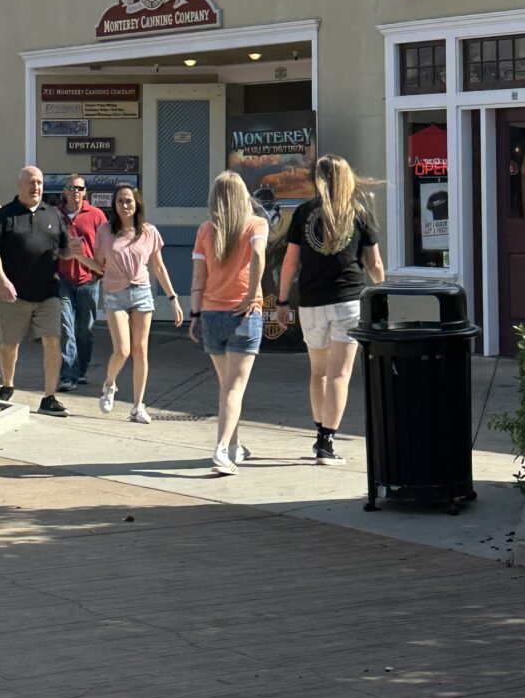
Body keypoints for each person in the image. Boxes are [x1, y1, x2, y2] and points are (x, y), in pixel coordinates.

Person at [274, 155, 383, 466]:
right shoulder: (359, 212)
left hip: (311, 303)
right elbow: (374, 264)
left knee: (318, 373)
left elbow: (290, 262)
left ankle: (320, 434)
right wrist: (382, 296)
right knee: (339, 375)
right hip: (348, 301)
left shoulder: (304, 212)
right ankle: (327, 443)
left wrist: (282, 301)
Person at [79, 184, 182, 422]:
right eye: (120, 202)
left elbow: (158, 267)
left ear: (137, 204)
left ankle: (138, 406)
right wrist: (78, 257)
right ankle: (109, 384)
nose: (125, 205)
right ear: (114, 206)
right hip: (115, 294)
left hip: (142, 293)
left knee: (140, 351)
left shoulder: (148, 232)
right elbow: (99, 266)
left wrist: (173, 298)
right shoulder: (105, 231)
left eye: (129, 201)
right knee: (123, 350)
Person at [190, 170, 268, 476]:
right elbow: (259, 256)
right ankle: (222, 450)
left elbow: (198, 277)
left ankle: (234, 447)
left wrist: (195, 315)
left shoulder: (206, 230)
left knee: (227, 387)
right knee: (234, 388)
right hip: (244, 315)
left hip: (211, 313)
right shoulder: (255, 224)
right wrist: (251, 295)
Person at [0, 166, 70, 415]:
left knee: (53, 341)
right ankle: (8, 385)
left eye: (40, 182)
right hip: (14, 294)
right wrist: (2, 280)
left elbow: (64, 249)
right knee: (9, 344)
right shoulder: (4, 216)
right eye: (31, 182)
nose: (37, 187)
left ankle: (49, 397)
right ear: (20, 185)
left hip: (49, 292)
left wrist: (72, 251)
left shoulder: (54, 215)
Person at [57, 174, 107, 392]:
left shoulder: (96, 215)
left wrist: (100, 272)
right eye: (72, 188)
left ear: (85, 192)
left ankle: (81, 370)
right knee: (66, 327)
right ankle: (67, 374)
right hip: (62, 279)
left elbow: (105, 246)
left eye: (79, 188)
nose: (75, 192)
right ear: (65, 191)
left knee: (84, 329)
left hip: (89, 280)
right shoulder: (55, 215)